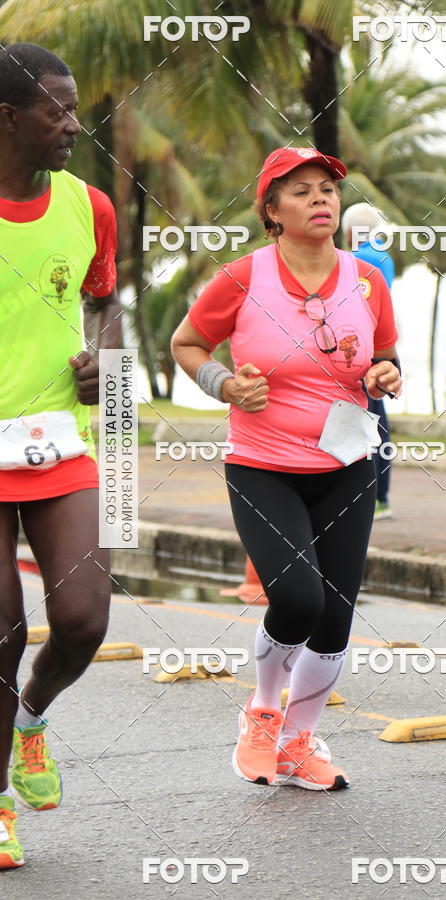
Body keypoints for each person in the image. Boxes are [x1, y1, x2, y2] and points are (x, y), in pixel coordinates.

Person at [172, 146, 401, 791]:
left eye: (326, 188)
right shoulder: (244, 277)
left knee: (335, 616)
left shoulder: (366, 280)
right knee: (298, 600)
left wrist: (386, 374)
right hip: (264, 465)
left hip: (348, 463)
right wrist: (222, 384)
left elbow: (384, 358)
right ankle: (263, 715)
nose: (320, 199)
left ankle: (300, 743)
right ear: (271, 210)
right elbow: (186, 344)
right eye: (299, 191)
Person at [0, 44, 121, 868]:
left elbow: (106, 302)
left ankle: (30, 720)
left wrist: (101, 364)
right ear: (9, 118)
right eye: (58, 110)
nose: (74, 124)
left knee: (82, 620)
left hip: (49, 442)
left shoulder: (89, 206)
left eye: (74, 108)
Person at [342, 202, 396, 519]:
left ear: (350, 232)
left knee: (366, 423)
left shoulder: (357, 260)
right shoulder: (383, 256)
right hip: (381, 347)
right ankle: (381, 496)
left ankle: (371, 498)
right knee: (377, 421)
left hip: (365, 348)